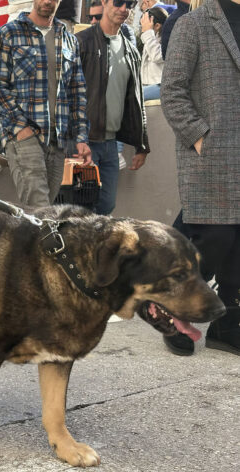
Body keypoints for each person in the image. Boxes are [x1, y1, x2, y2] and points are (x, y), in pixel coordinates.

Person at [160, 0, 240, 357]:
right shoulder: (194, 24)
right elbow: (172, 90)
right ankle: (171, 308)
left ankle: (227, 322)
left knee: (238, 243)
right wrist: (200, 138)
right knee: (215, 235)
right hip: (212, 155)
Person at [0, 0, 91, 207]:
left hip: (58, 140)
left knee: (42, 214)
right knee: (40, 210)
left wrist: (81, 137)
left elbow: (77, 92)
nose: (47, 1)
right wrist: (20, 129)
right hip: (24, 137)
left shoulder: (69, 40)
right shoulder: (9, 33)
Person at [76, 0, 150, 216]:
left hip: (110, 145)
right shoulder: (81, 42)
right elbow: (65, 94)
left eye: (129, 4)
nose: (124, 9)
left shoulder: (130, 50)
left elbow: (137, 101)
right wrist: (76, 139)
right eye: (118, 2)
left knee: (106, 206)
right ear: (104, 2)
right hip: (84, 144)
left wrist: (142, 145)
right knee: (82, 209)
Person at [140, 6, 169, 100]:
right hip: (148, 85)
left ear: (157, 25)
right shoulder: (151, 37)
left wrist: (148, 33)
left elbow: (157, 56)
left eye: (144, 24)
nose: (142, 28)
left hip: (160, 86)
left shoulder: (165, 39)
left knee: (135, 97)